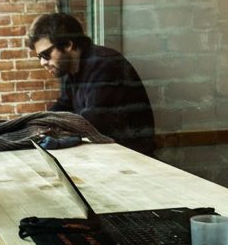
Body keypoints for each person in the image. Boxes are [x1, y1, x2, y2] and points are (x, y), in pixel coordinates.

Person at [24, 12, 156, 155]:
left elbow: (90, 123)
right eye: (39, 57)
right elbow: (61, 110)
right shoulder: (74, 71)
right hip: (109, 154)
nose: (42, 62)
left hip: (133, 159)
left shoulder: (105, 65)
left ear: (68, 44)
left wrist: (46, 129)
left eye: (45, 54)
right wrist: (32, 126)